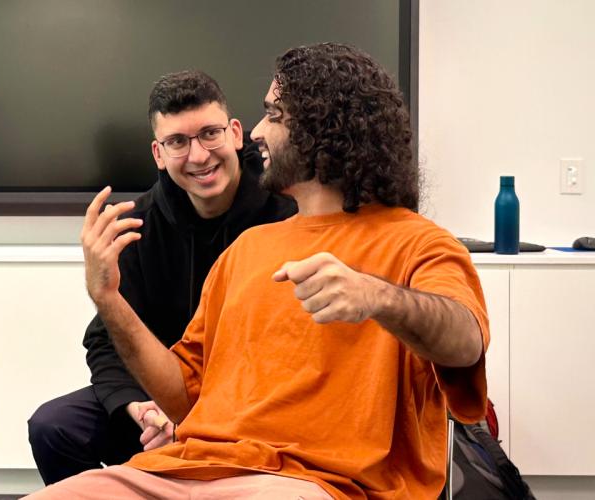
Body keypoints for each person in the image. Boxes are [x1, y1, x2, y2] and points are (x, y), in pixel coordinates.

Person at [28, 43, 489, 499]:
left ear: (321, 129)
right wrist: (108, 298)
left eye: (273, 115)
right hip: (189, 467)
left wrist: (377, 297)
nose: (254, 132)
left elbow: (466, 343)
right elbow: (184, 399)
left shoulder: (419, 242)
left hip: (317, 481)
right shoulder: (247, 250)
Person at [27, 70, 295, 484]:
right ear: (158, 153)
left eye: (210, 133)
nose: (199, 156)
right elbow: (104, 339)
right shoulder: (136, 225)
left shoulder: (287, 212)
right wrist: (139, 405)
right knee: (54, 425)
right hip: (163, 403)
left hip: (255, 410)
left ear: (236, 133)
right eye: (177, 142)